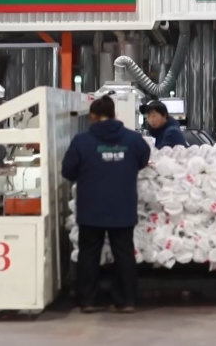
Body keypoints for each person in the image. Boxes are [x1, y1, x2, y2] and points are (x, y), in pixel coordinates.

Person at [61, 95, 150, 314]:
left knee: (89, 254)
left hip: (91, 208)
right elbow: (143, 160)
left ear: (92, 116)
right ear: (114, 114)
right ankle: (126, 301)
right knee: (124, 254)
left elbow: (68, 171)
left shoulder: (81, 141)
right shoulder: (133, 140)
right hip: (123, 206)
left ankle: (88, 301)